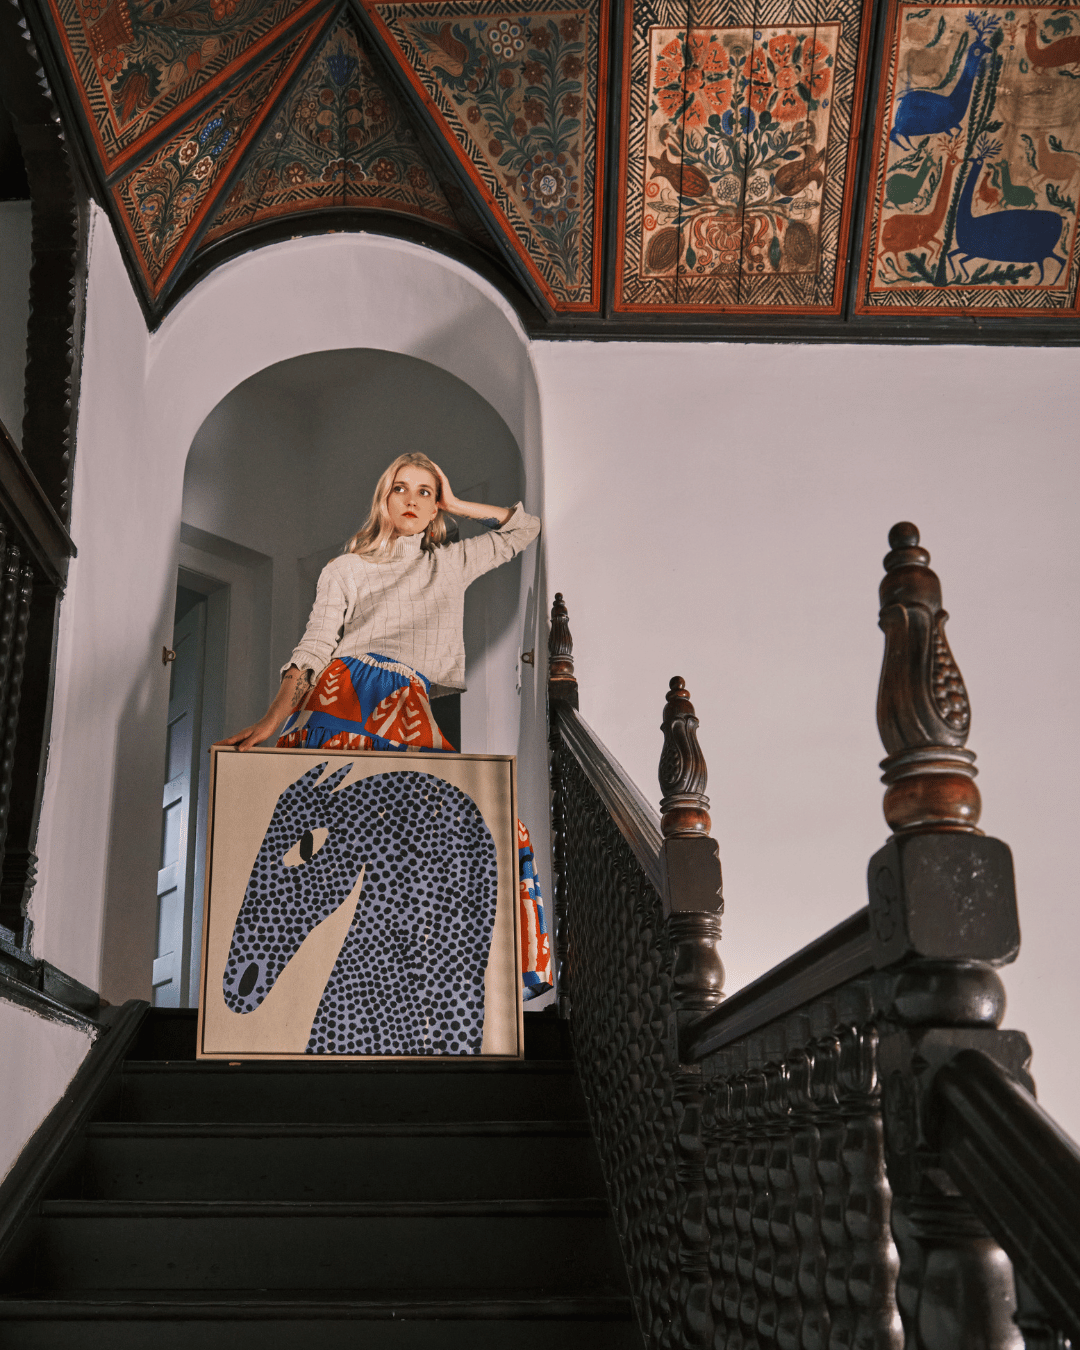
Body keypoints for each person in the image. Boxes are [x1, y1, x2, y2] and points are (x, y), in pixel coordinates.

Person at [218, 452, 551, 1001]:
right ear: (384, 499)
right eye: (402, 489)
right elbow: (316, 646)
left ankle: (417, 991)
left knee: (476, 832)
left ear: (436, 503)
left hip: (407, 702)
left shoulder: (451, 562)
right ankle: (282, 989)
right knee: (306, 844)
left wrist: (458, 502)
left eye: (426, 491)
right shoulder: (345, 569)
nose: (414, 500)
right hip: (343, 694)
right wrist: (273, 718)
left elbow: (525, 529)